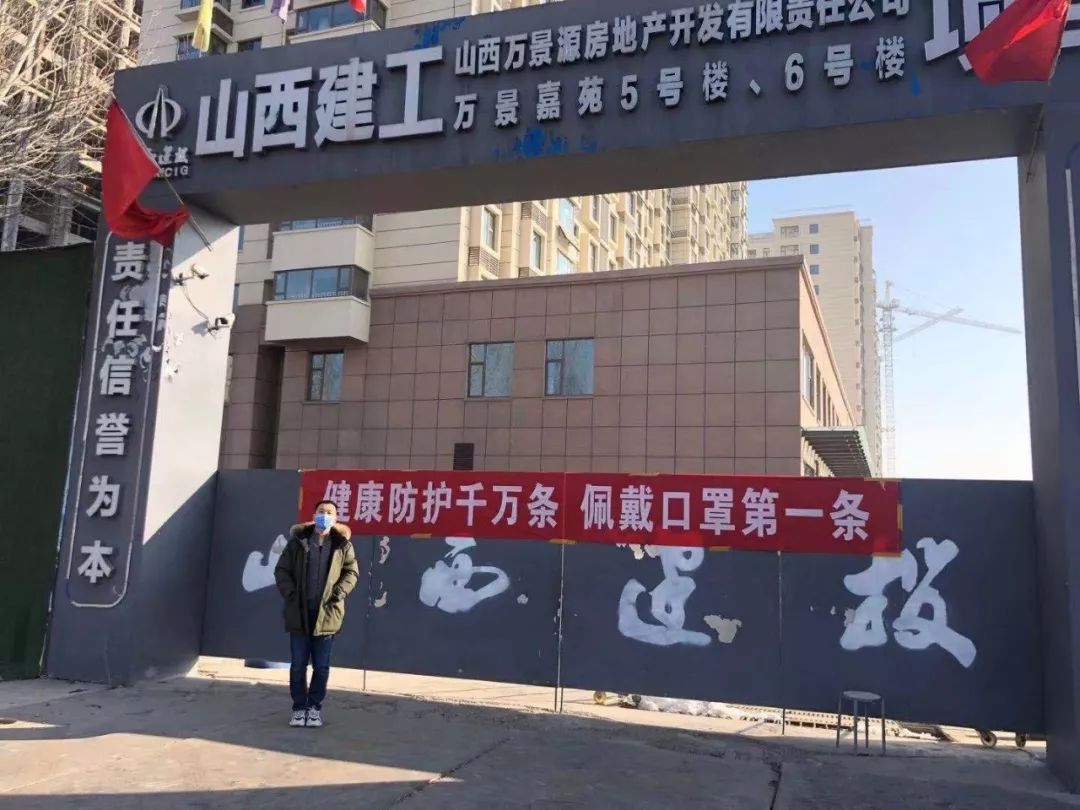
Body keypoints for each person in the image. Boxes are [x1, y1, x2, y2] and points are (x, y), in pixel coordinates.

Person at [274, 500, 359, 728]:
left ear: (336, 518)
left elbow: (351, 573)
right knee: (298, 665)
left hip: (327, 613)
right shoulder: (298, 542)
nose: (325, 515)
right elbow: (281, 570)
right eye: (321, 511)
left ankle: (314, 708)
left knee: (321, 666)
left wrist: (338, 593)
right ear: (313, 515)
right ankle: (298, 708)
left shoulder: (342, 545)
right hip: (299, 612)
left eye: (330, 512)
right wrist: (291, 594)